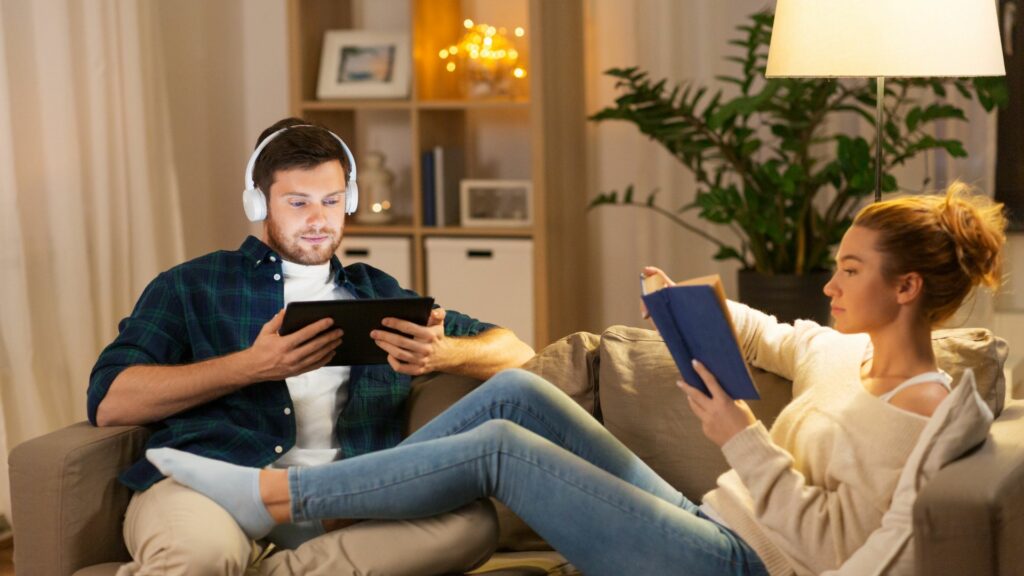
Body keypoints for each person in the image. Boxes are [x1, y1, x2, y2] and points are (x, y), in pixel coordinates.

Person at [145, 182, 1006, 576]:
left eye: (850, 271)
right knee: (521, 395)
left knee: (503, 451)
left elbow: (829, 548)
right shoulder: (844, 353)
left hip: (739, 564)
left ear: (907, 289)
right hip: (714, 521)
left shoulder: (915, 413)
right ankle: (289, 502)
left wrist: (737, 435)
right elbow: (770, 332)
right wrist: (687, 307)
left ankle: (281, 498)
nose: (829, 284)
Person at [88, 117, 535, 575]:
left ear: (350, 200)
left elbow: (517, 353)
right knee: (201, 556)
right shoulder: (191, 286)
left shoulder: (378, 294)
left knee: (472, 524)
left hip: (343, 502)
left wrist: (445, 354)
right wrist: (248, 367)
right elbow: (109, 401)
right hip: (207, 486)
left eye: (332, 201)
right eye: (298, 202)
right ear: (259, 203)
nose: (318, 220)